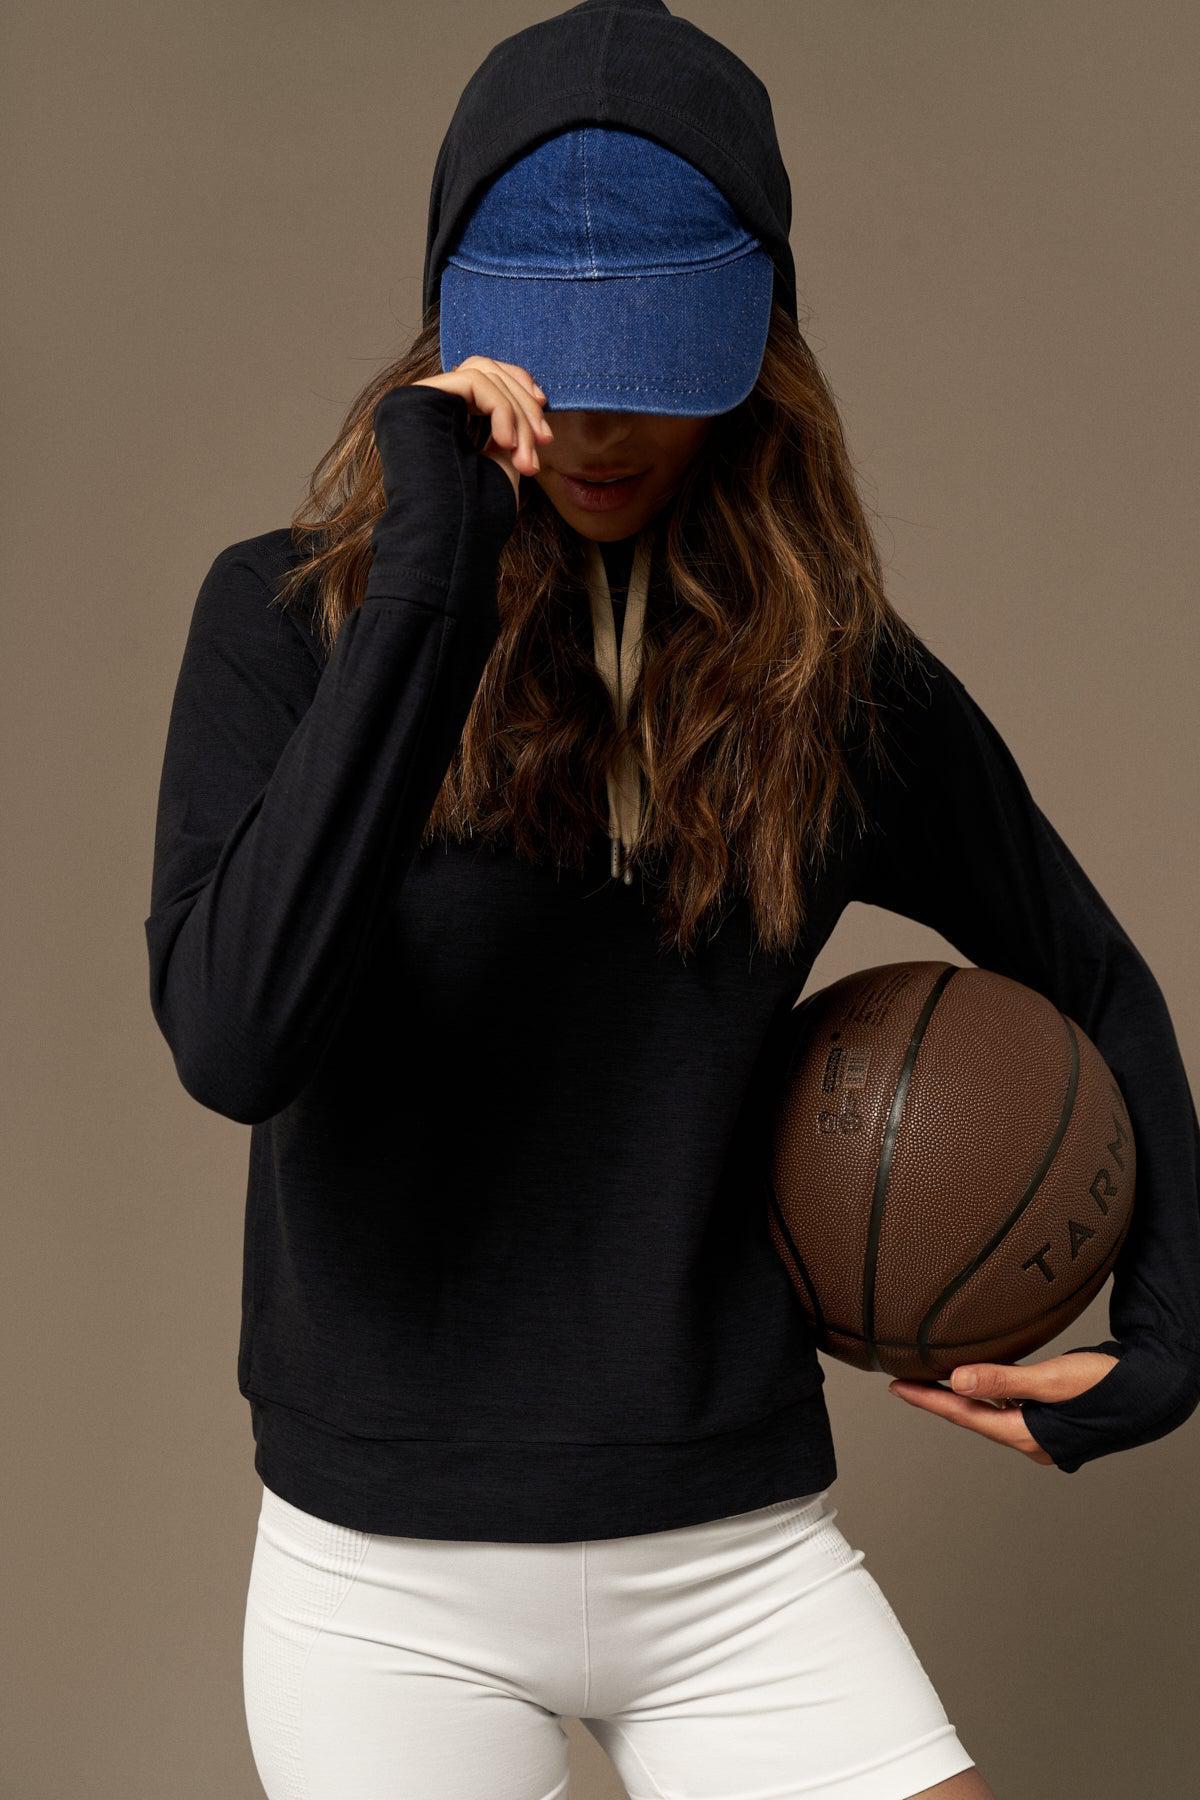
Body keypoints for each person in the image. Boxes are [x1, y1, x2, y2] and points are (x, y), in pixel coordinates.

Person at [142, 3, 1200, 1796]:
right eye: (561, 359)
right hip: (382, 1579)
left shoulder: (830, 680)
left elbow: (1090, 972)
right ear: (454, 332)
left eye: (658, 354)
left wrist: (1172, 1334)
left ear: (760, 343)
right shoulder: (287, 622)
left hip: (734, 1554)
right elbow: (236, 1038)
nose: (606, 417)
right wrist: (427, 587)